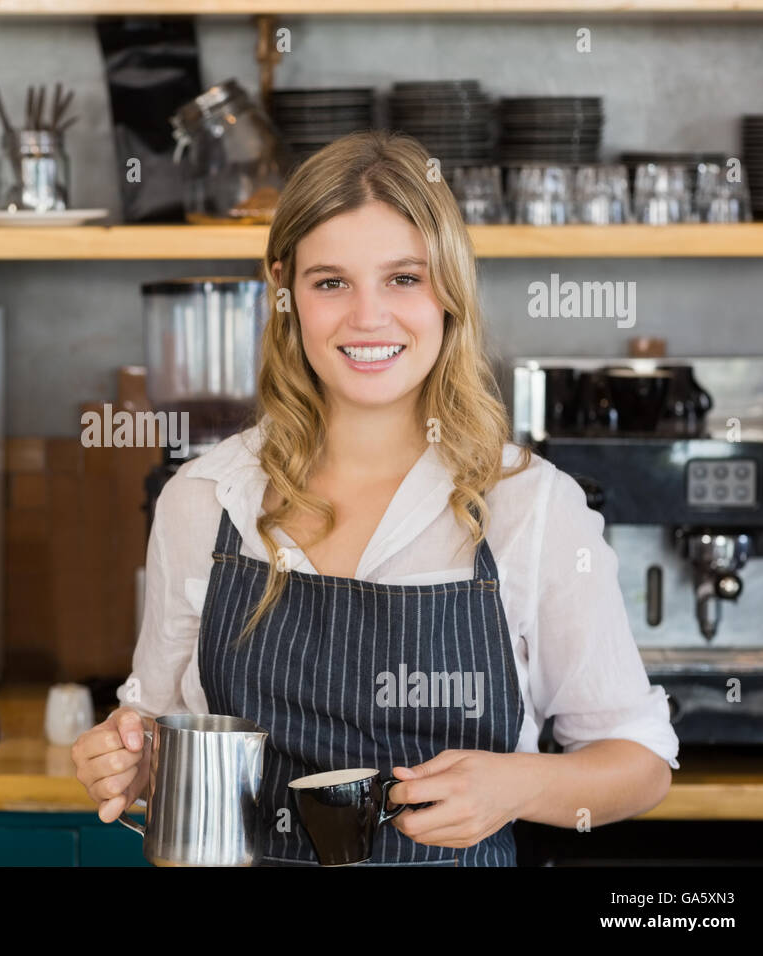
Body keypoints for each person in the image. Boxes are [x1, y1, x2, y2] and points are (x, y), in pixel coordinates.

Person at [72, 130, 679, 866]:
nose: (367, 317)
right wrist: (127, 761)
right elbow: (156, 733)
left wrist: (518, 787)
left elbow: (639, 761)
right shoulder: (202, 499)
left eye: (403, 278)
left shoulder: (530, 506)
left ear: (449, 289)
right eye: (331, 281)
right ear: (284, 290)